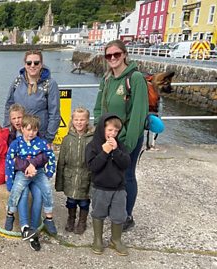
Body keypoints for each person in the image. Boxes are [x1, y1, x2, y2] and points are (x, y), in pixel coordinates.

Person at [92, 40, 149, 232]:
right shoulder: (107, 79)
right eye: (109, 55)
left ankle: (126, 216)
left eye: (117, 54)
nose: (113, 58)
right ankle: (115, 211)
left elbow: (138, 114)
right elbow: (99, 107)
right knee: (111, 174)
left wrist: (129, 144)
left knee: (127, 175)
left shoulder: (135, 78)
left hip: (127, 138)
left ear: (124, 54)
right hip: (109, 137)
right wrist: (99, 131)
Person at [5, 115, 57, 240]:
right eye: (28, 129)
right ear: (22, 129)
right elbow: (9, 160)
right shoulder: (16, 143)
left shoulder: (41, 142)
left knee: (47, 190)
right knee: (16, 191)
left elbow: (50, 156)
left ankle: (48, 218)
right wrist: (10, 181)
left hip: (38, 172)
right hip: (23, 173)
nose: (31, 133)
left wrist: (49, 172)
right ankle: (10, 213)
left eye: (34, 130)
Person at [85, 113, 131, 256]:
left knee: (119, 215)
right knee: (98, 213)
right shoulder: (92, 146)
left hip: (118, 188)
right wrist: (104, 152)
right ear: (102, 129)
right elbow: (92, 166)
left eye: (116, 131)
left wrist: (116, 151)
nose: (113, 134)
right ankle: (97, 239)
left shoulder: (120, 145)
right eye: (110, 130)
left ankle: (116, 240)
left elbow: (126, 163)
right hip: (100, 187)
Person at [7, 104, 46, 251]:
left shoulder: (36, 134)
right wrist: (25, 167)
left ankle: (33, 229)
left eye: (20, 117)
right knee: (22, 193)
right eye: (14, 118)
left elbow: (44, 155)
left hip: (35, 172)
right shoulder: (11, 137)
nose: (17, 121)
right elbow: (12, 159)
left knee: (39, 194)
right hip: (21, 172)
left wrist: (33, 165)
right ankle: (25, 226)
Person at [4, 50, 60, 145]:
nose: (32, 65)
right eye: (29, 63)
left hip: (39, 136)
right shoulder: (17, 82)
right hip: (18, 136)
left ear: (41, 64)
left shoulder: (50, 84)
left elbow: (54, 114)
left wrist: (48, 139)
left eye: (36, 62)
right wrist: (7, 130)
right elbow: (8, 107)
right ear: (25, 65)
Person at [55, 107, 94, 235]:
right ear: (72, 121)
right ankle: (71, 218)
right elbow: (61, 162)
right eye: (76, 119)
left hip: (86, 176)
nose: (79, 122)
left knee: (84, 201)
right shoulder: (67, 139)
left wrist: (93, 184)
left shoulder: (92, 139)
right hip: (70, 176)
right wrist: (59, 182)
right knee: (71, 201)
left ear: (87, 121)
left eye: (82, 120)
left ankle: (82, 221)